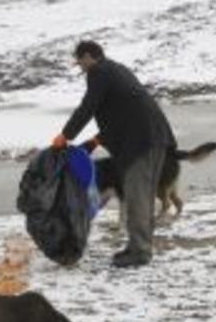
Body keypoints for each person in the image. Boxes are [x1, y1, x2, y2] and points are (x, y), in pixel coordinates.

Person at [52, 40, 177, 268]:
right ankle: (137, 245)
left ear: (88, 57)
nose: (79, 66)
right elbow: (120, 112)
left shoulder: (98, 72)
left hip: (143, 141)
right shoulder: (115, 69)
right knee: (141, 195)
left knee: (137, 195)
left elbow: (88, 107)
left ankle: (140, 252)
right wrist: (96, 140)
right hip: (151, 136)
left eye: (79, 61)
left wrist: (66, 135)